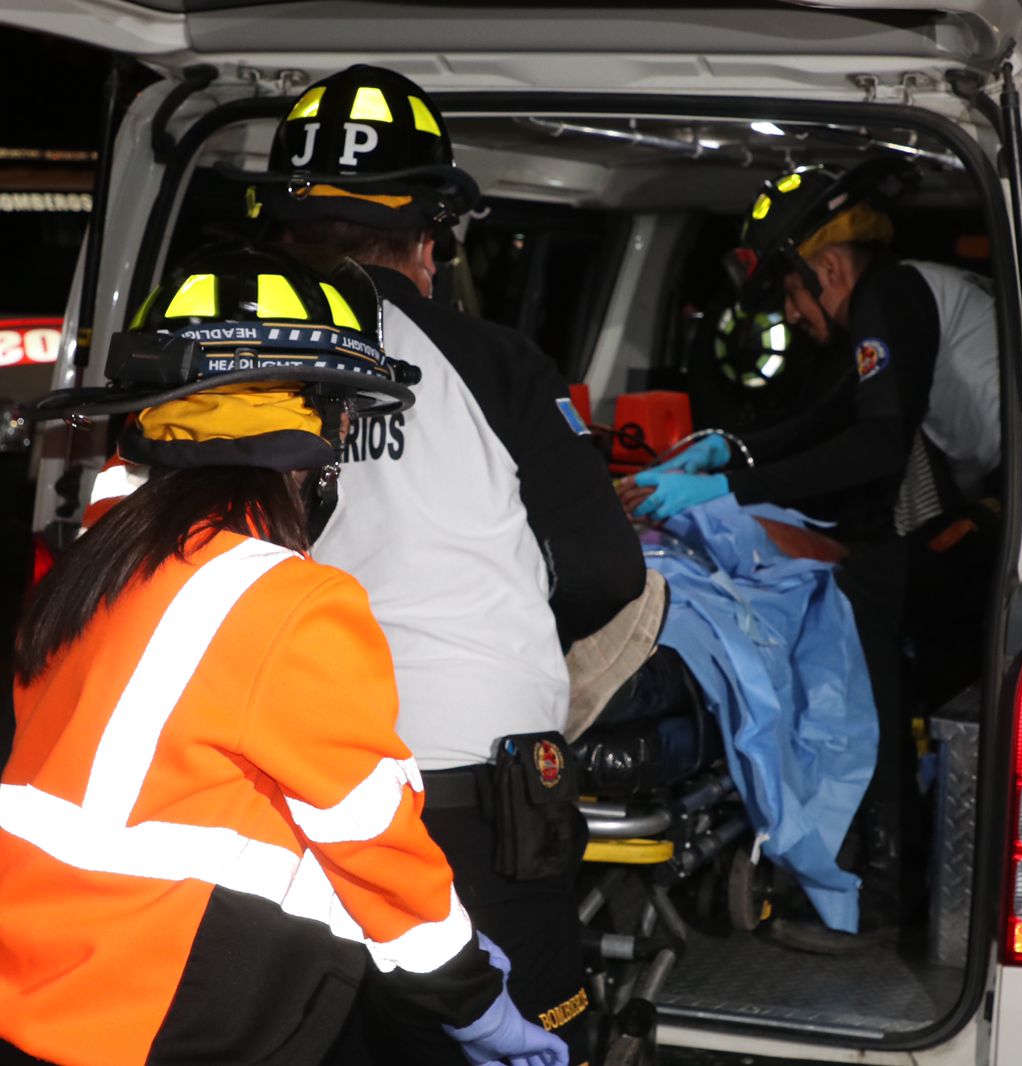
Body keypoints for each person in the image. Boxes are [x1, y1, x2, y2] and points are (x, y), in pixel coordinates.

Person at [0, 246, 566, 1066]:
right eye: (338, 422)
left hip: (13, 1004)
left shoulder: (100, 568)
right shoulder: (291, 603)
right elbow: (374, 844)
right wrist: (469, 998)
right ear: (308, 434)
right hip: (148, 1026)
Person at [258, 66, 645, 1063]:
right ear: (430, 238)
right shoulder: (495, 363)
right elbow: (607, 571)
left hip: (287, 795)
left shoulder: (235, 368)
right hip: (480, 799)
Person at [627, 159, 1001, 929]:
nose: (794, 316)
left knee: (866, 593)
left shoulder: (891, 294)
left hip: (1010, 511)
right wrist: (729, 451)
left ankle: (886, 871)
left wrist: (728, 491)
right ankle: (877, 831)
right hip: (1002, 502)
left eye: (792, 294)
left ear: (828, 269)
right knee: (874, 579)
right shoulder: (901, 298)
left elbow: (877, 446)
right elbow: (831, 416)